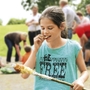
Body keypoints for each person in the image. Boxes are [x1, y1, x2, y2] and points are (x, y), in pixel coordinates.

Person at [21, 6, 89, 90]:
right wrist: (35, 50)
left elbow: (84, 71)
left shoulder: (73, 47)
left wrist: (80, 81)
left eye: (50, 28)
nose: (45, 32)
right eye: (42, 28)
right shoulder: (37, 48)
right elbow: (24, 75)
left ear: (62, 26)